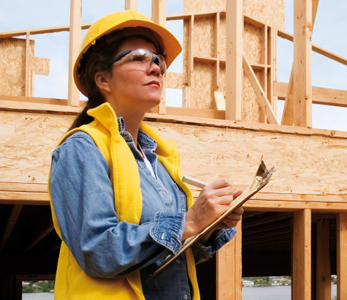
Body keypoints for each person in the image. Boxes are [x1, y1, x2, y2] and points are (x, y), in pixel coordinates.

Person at [48, 10, 244, 300]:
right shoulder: (82, 149)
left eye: (158, 61)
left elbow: (167, 259)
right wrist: (189, 221)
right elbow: (98, 251)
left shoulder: (161, 162)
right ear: (103, 79)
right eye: (139, 57)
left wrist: (207, 227)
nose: (156, 68)